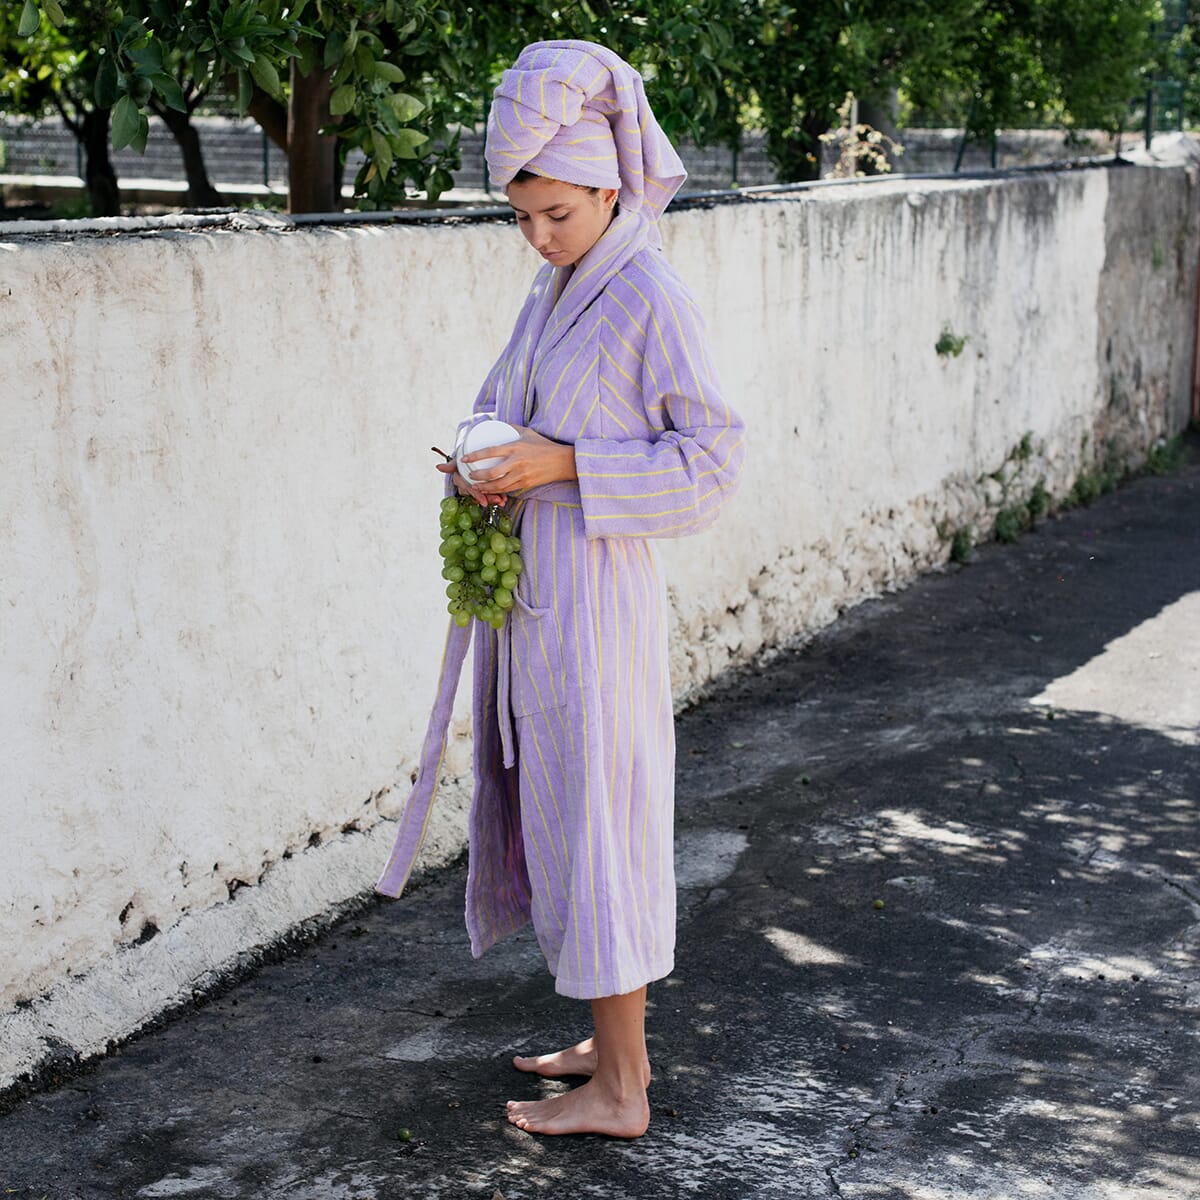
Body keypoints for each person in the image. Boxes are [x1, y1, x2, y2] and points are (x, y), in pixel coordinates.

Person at [376, 39, 745, 1138]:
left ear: (610, 188)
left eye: (557, 213)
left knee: (601, 829)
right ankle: (611, 1040)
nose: (538, 236)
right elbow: (512, 407)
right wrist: (482, 458)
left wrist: (565, 465)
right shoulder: (556, 289)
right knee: (569, 820)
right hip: (539, 606)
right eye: (521, 215)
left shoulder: (650, 295)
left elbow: (711, 464)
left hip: (596, 610)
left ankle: (622, 1092)